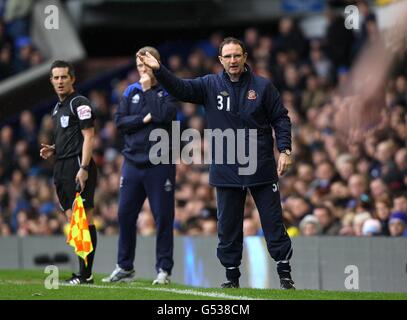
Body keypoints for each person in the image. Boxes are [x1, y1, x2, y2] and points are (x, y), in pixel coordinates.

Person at [138, 37, 295, 289]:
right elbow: (180, 89)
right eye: (228, 57)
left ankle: (285, 276)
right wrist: (159, 70)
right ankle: (232, 278)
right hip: (225, 167)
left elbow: (281, 118)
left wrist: (285, 149)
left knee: (272, 221)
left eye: (237, 55)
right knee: (228, 226)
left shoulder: (263, 87)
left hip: (261, 164)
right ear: (220, 60)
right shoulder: (209, 84)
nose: (233, 61)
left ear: (245, 57)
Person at [102, 46, 178, 284]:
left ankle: (163, 269)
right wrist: (143, 119)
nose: (142, 70)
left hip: (159, 163)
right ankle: (125, 267)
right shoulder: (129, 91)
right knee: (125, 214)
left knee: (163, 217)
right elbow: (120, 122)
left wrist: (147, 92)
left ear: (156, 63)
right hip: (132, 162)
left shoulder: (169, 89)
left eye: (146, 64)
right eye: (139, 66)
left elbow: (164, 117)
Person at [40, 60, 98, 284]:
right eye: (56, 78)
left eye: (64, 77)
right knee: (73, 220)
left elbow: (89, 136)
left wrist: (83, 168)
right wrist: (54, 148)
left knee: (83, 220)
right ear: (51, 81)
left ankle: (85, 274)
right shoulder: (57, 108)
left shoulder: (80, 102)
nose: (60, 81)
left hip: (77, 166)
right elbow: (69, 136)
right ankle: (83, 272)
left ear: (72, 78)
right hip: (61, 165)